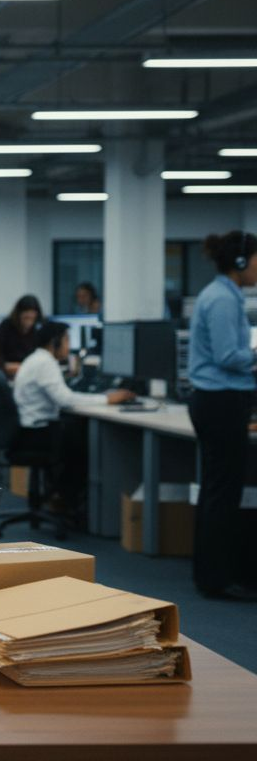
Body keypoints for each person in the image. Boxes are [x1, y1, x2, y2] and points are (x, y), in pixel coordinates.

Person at [187, 231, 257, 600]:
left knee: (217, 489)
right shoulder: (223, 300)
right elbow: (228, 356)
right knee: (223, 492)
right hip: (222, 401)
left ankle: (212, 574)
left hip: (216, 400)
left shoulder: (220, 294)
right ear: (241, 262)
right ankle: (217, 578)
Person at [12, 321, 134, 510]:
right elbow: (65, 400)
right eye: (67, 340)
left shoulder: (36, 359)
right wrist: (106, 399)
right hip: (39, 434)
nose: (69, 346)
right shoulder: (45, 363)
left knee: (78, 432)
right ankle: (70, 503)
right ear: (54, 342)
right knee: (86, 443)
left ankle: (62, 498)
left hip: (30, 431)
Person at [0, 295, 43, 378]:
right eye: (26, 312)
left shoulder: (37, 331)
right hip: (9, 376)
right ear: (18, 313)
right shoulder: (5, 327)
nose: (30, 315)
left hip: (32, 376)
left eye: (33, 312)